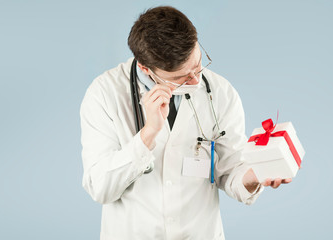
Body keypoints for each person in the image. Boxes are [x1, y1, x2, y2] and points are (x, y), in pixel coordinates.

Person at [80, 6, 291, 240]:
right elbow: (100, 188)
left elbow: (230, 170)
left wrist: (255, 174)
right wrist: (147, 134)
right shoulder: (104, 94)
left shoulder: (220, 92)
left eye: (198, 63)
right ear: (145, 68)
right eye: (181, 77)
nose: (197, 79)